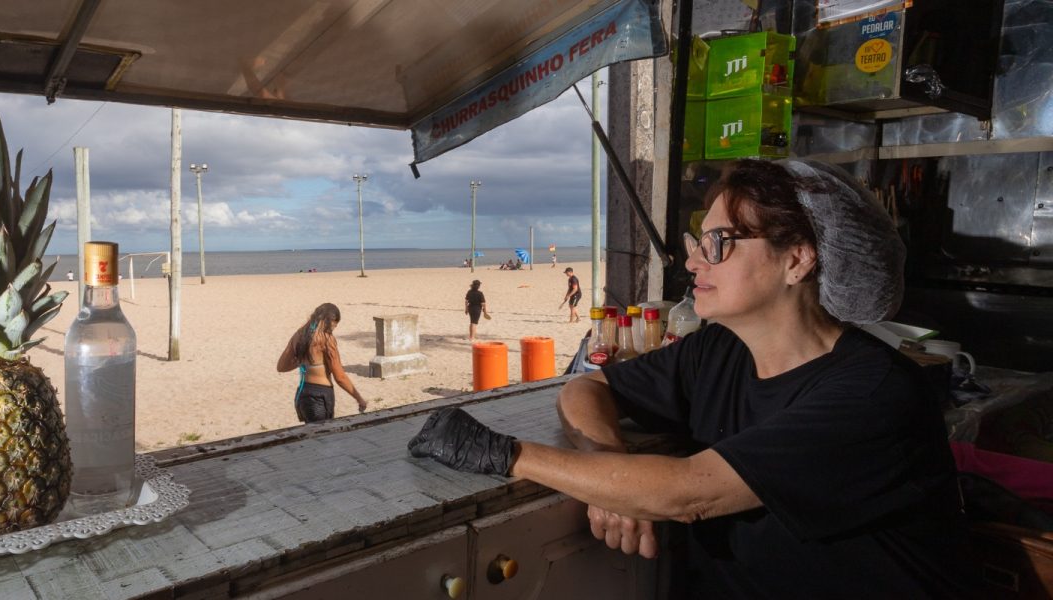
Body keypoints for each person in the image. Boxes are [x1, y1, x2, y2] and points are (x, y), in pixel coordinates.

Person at [409, 159, 979, 598]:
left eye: (720, 243)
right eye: (698, 241)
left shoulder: (874, 395)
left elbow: (688, 494)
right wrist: (607, 457)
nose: (694, 261)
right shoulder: (720, 350)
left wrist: (496, 451)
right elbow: (589, 387)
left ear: (798, 260)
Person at [276, 303, 368, 423]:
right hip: (320, 397)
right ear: (331, 320)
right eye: (335, 325)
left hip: (303, 394)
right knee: (324, 438)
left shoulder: (298, 335)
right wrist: (359, 399)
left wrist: (302, 361)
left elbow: (281, 367)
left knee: (311, 437)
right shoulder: (326, 339)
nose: (334, 329)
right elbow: (340, 377)